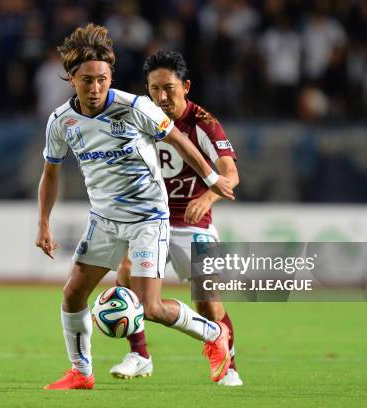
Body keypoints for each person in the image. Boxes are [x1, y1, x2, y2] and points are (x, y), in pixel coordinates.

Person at [37, 24, 236, 390]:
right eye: (87, 81)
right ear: (72, 81)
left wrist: (210, 181)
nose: (95, 88)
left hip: (148, 219)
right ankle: (81, 372)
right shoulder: (61, 121)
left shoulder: (135, 107)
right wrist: (43, 224)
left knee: (151, 307)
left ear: (110, 76)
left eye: (102, 79)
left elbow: (178, 140)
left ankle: (214, 334)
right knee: (72, 293)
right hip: (104, 221)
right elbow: (50, 173)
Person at [109, 50, 243, 386]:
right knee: (126, 274)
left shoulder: (203, 123)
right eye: (154, 89)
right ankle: (140, 355)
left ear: (185, 86)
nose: (162, 96)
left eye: (169, 87)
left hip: (194, 224)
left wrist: (208, 195)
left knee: (209, 304)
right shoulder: (140, 118)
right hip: (152, 222)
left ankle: (229, 366)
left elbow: (231, 174)